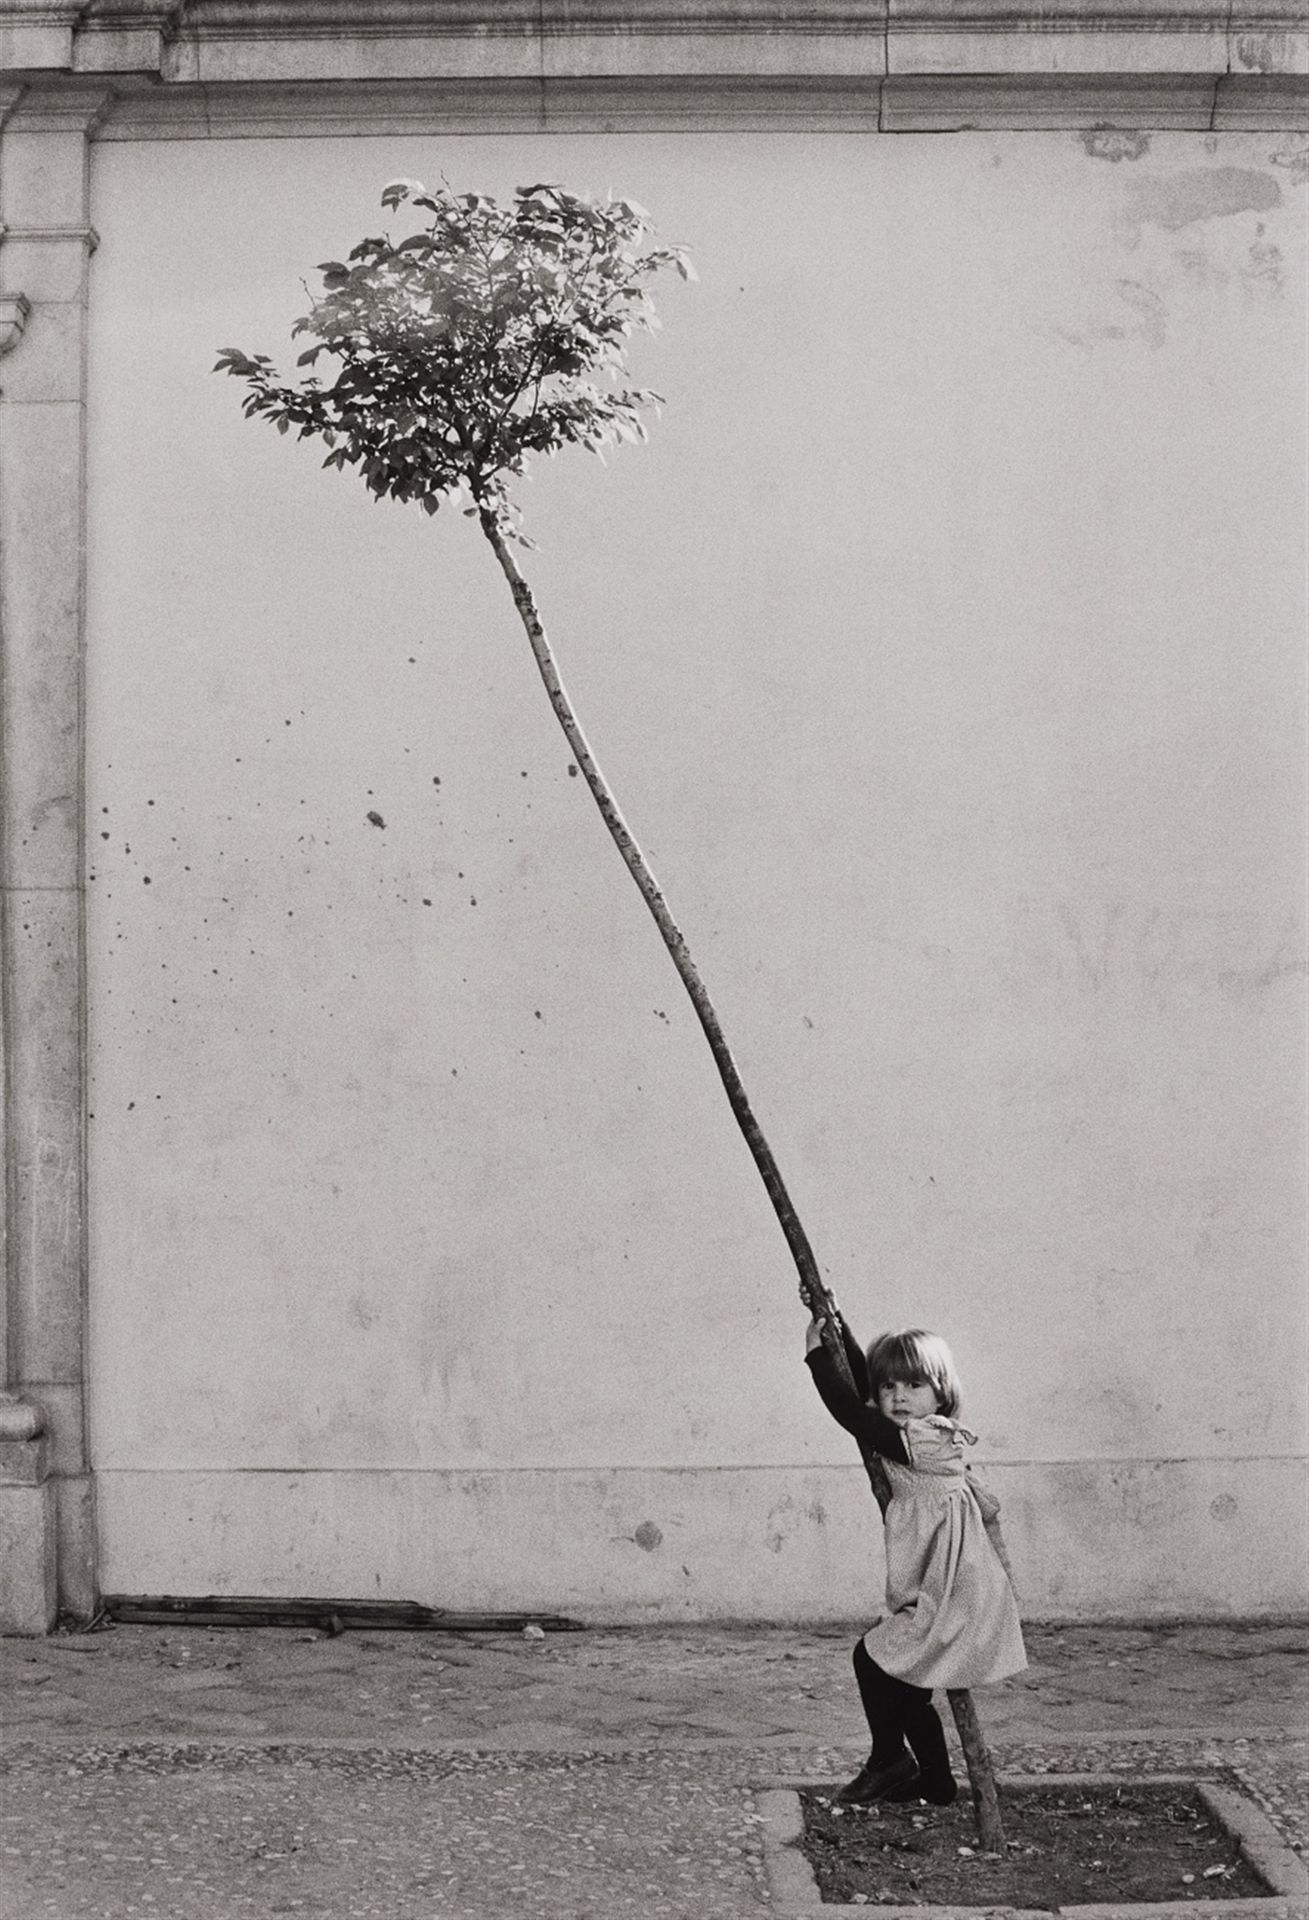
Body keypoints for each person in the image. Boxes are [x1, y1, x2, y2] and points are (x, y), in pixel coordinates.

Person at [804, 1303, 1026, 1807]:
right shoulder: (908, 1429)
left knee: (871, 1657)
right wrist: (838, 1325)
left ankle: (889, 1759)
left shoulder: (925, 1439)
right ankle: (937, 1782)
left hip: (957, 1589)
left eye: (914, 1387)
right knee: (908, 1688)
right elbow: (864, 1395)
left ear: (942, 1395)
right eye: (891, 1388)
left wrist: (818, 1358)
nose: (899, 1397)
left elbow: (851, 1412)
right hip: (943, 1579)